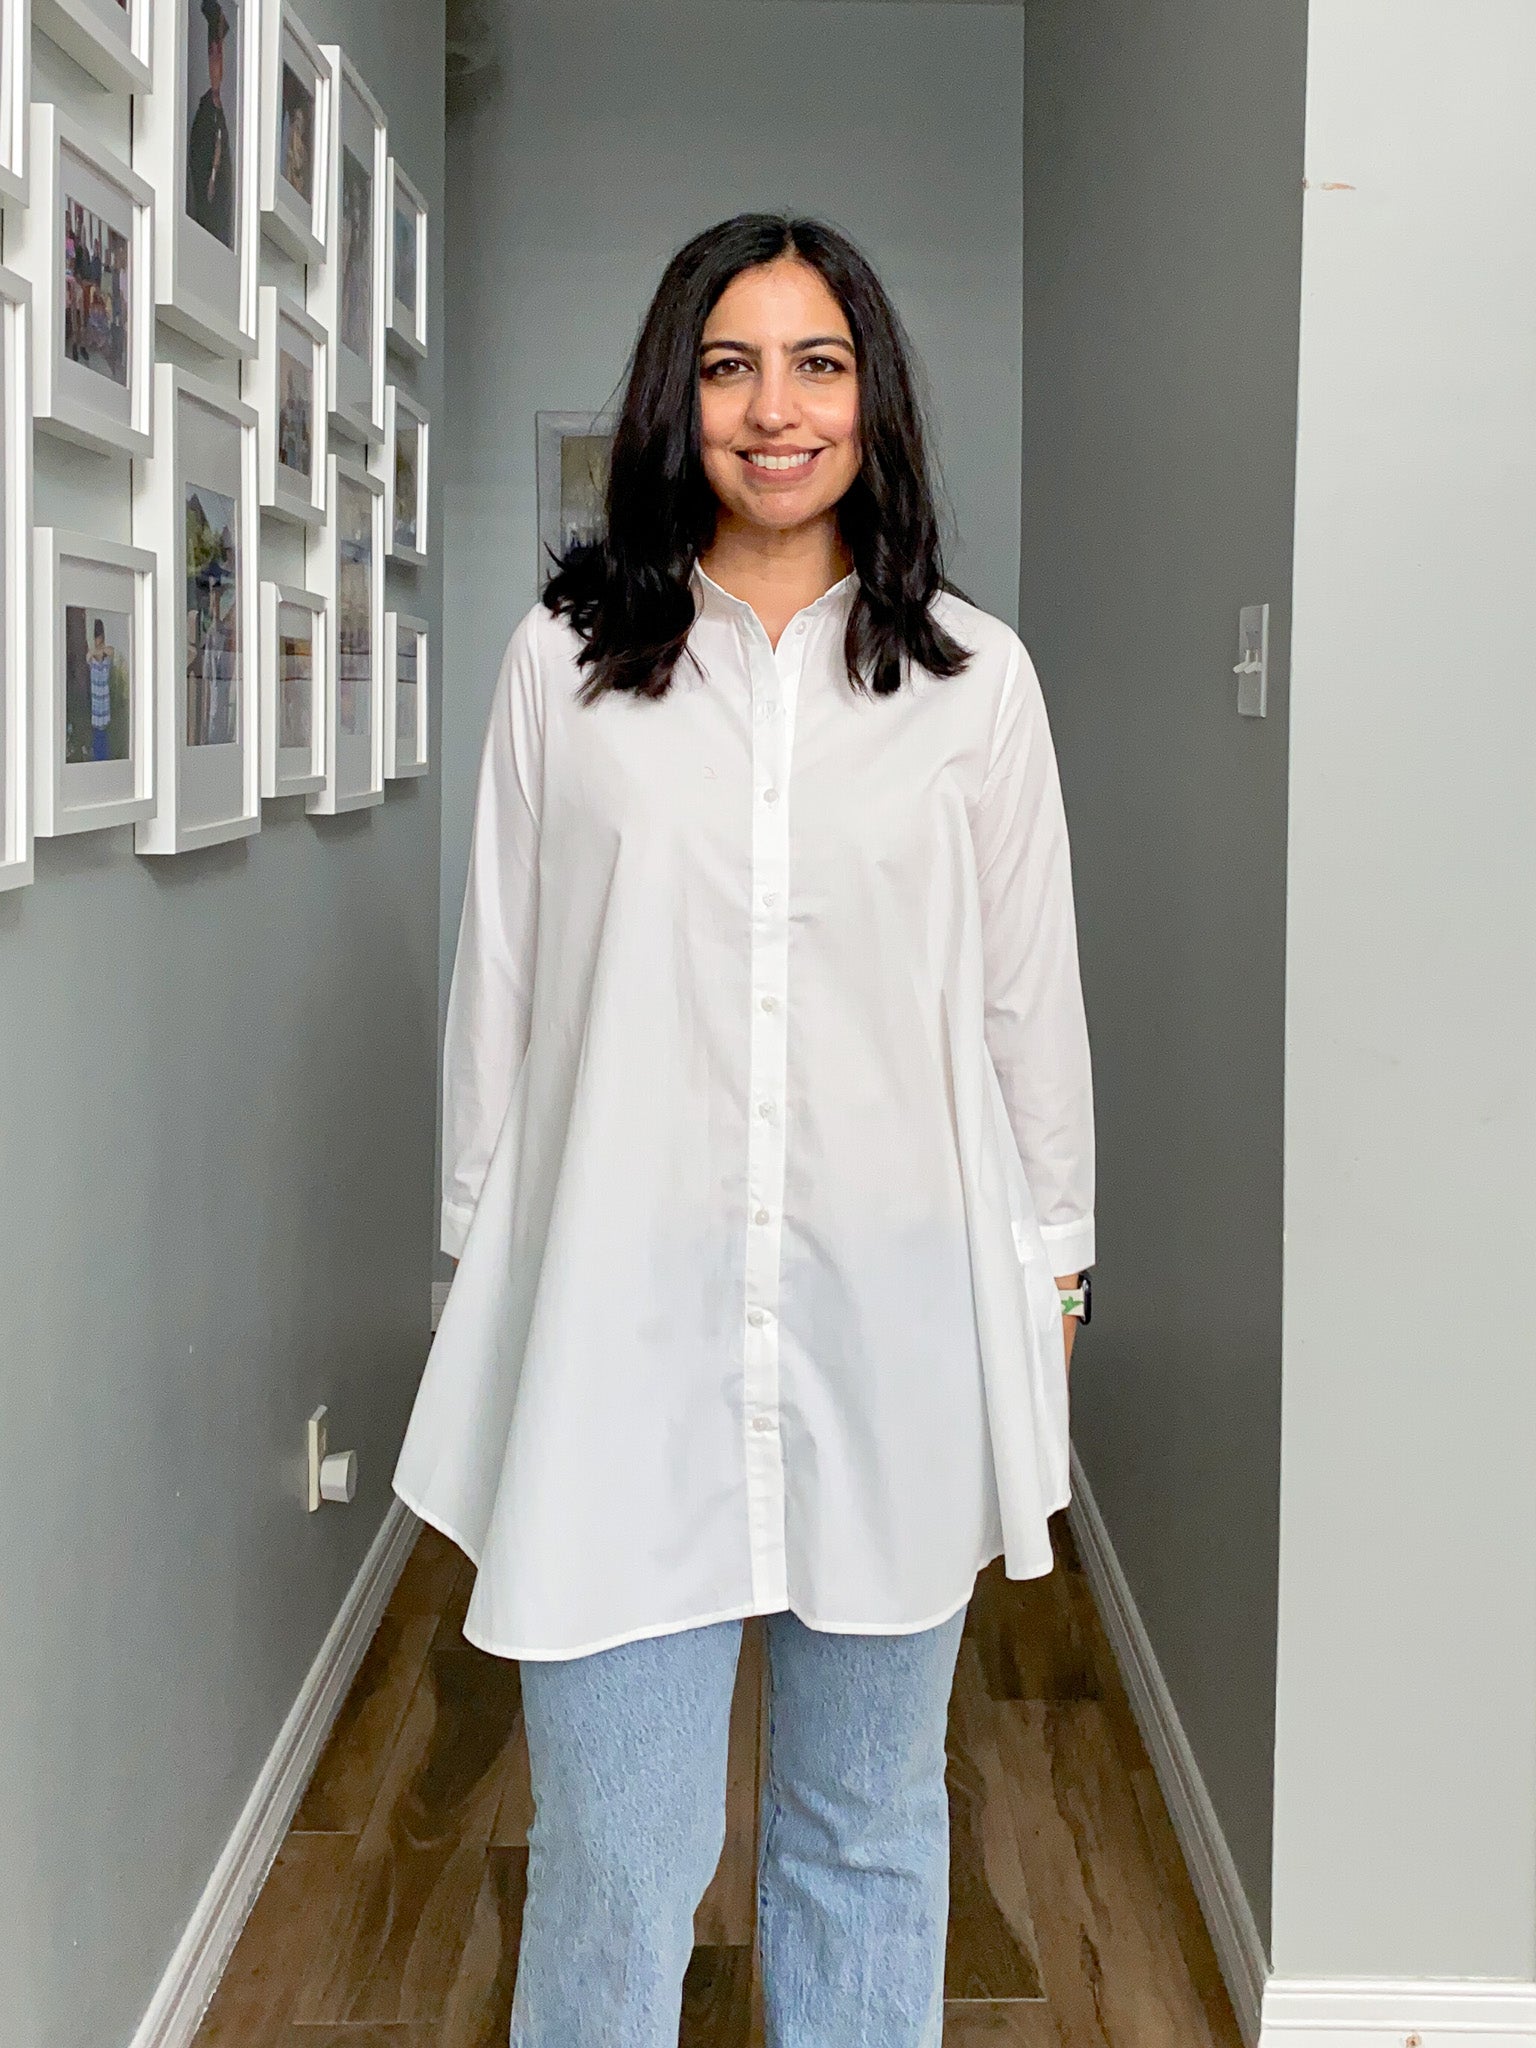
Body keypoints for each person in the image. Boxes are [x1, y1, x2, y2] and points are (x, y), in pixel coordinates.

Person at [392, 213, 1096, 2048]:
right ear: (673, 401)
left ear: (873, 401)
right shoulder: (565, 668)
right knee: (617, 1854)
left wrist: (1051, 1272)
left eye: (816, 364)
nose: (772, 410)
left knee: (864, 1832)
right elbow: (506, 985)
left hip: (898, 1326)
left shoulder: (974, 684)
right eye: (727, 366)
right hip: (618, 1341)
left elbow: (1030, 1004)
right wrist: (483, 1262)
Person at [185, 0, 234, 250]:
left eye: (219, 55)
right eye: (214, 54)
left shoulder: (218, 113)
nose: (217, 64)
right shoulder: (206, 113)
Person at [87, 619, 115, 761]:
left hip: (104, 708)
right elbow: (89, 656)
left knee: (103, 742)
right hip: (96, 709)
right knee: (98, 742)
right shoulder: (92, 657)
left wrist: (101, 649)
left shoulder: (106, 656)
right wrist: (96, 651)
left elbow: (110, 651)